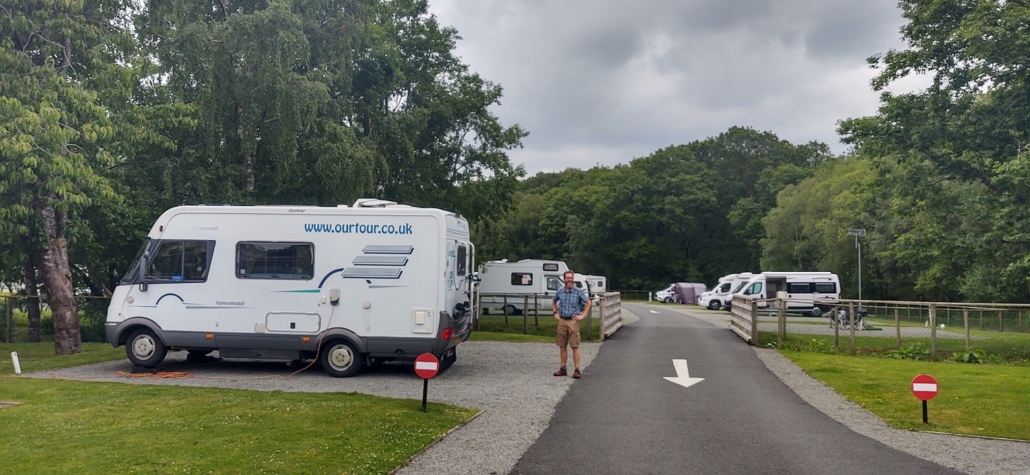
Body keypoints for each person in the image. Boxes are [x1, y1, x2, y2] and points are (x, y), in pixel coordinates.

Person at [552, 270, 591, 379]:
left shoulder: (578, 291)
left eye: (571, 278)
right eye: (567, 278)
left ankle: (577, 369)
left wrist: (583, 315)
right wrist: (555, 313)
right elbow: (554, 301)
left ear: (573, 279)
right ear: (564, 279)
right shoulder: (560, 291)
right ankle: (563, 368)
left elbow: (588, 302)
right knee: (562, 345)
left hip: (573, 321)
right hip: (562, 321)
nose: (569, 280)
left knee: (574, 346)